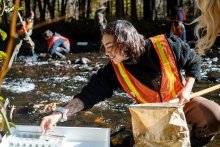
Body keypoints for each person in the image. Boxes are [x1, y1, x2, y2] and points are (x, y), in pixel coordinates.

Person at [41, 20, 220, 147]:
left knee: (215, 117)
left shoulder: (168, 46)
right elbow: (88, 96)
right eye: (105, 47)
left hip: (181, 104)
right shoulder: (112, 70)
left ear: (126, 42)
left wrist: (187, 89)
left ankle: (192, 143)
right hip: (150, 117)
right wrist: (59, 113)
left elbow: (194, 62)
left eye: (110, 46)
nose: (107, 53)